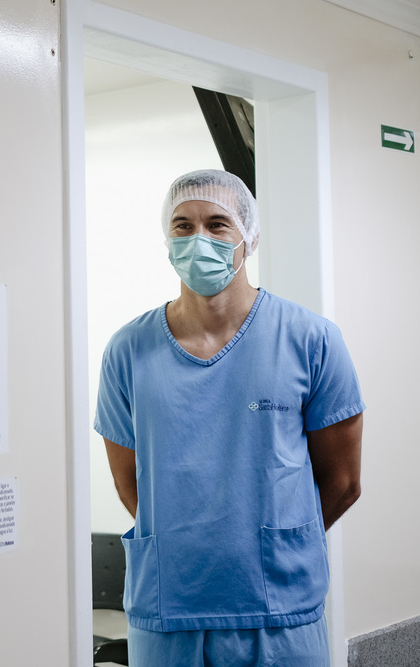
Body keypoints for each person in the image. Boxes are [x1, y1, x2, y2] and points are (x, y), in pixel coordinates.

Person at [95, 169, 364, 667]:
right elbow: (129, 482)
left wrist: (277, 541)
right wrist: (192, 542)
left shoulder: (311, 340)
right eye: (183, 225)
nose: (198, 238)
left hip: (279, 615)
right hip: (169, 611)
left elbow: (343, 483)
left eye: (217, 224)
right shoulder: (128, 350)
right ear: (167, 238)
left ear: (250, 237)